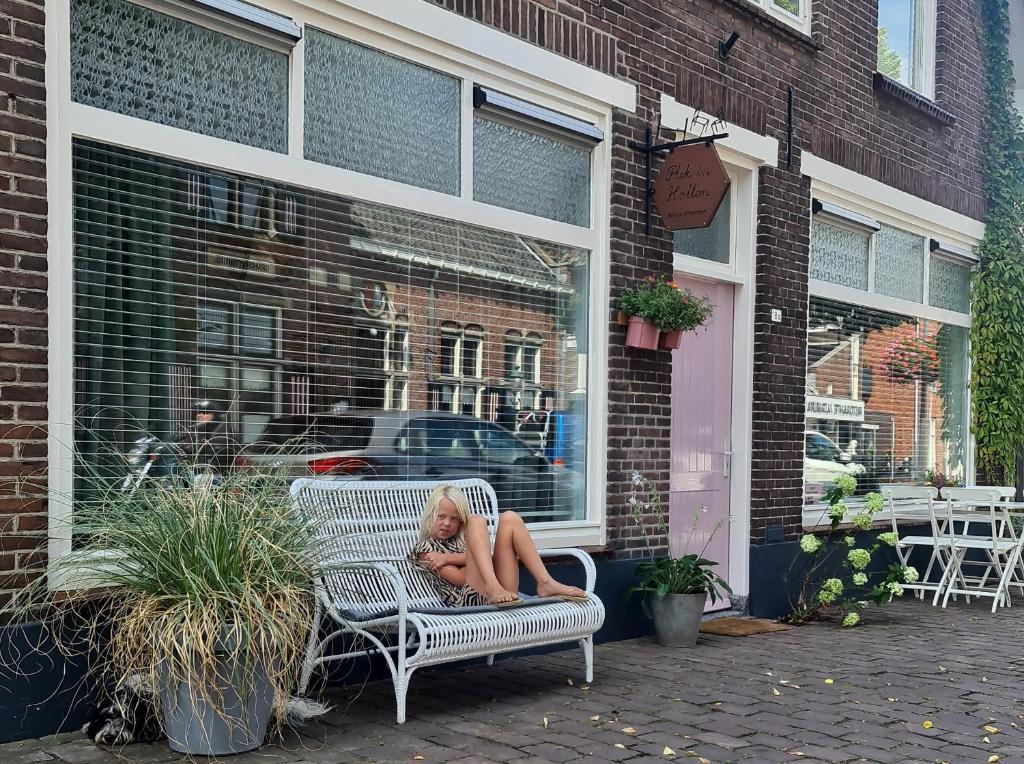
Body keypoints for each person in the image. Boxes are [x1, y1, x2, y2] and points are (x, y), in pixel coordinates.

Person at [411, 484, 588, 608]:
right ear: (429, 515)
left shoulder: (461, 540)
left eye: (454, 519)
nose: (447, 523)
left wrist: (449, 558)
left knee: (510, 518)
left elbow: (480, 563)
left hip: (502, 592)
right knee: (477, 521)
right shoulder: (425, 548)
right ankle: (493, 586)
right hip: (469, 600)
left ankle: (545, 582)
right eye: (441, 516)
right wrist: (476, 560)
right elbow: (460, 578)